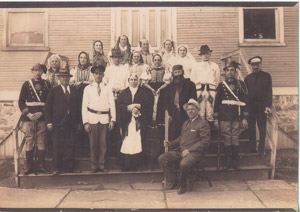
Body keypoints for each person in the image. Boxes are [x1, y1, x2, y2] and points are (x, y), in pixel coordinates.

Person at [158, 98, 210, 195]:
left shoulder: (202, 123)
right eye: (188, 109)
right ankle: (173, 180)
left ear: (198, 110)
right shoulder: (186, 123)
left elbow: (205, 141)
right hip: (181, 150)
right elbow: (181, 138)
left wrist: (189, 150)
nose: (190, 111)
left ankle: (182, 185)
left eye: (192, 109)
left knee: (183, 164)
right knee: (162, 158)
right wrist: (170, 143)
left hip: (194, 153)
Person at [45, 68, 81, 175]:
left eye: (67, 77)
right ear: (59, 78)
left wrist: (79, 123)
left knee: (70, 145)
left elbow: (78, 108)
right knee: (57, 145)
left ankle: (69, 168)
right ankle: (56, 168)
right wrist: (49, 122)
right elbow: (47, 107)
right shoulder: (54, 90)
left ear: (70, 78)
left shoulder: (74, 91)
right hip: (57, 123)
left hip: (71, 123)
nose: (65, 79)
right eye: (62, 77)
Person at [213, 61, 248, 170]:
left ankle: (235, 161)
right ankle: (228, 161)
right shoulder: (221, 85)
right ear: (225, 72)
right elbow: (217, 103)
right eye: (227, 70)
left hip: (236, 115)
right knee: (227, 137)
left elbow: (245, 102)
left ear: (235, 71)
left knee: (235, 137)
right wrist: (215, 118)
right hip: (225, 115)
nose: (230, 72)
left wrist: (245, 118)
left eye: (232, 70)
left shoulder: (241, 85)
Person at [82, 65, 116, 173]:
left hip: (104, 118)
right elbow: (84, 106)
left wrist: (112, 119)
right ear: (93, 74)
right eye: (96, 73)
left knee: (103, 144)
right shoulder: (88, 88)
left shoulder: (107, 87)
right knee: (93, 144)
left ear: (103, 75)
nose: (98, 75)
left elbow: (112, 104)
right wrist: (85, 122)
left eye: (100, 73)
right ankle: (93, 165)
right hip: (92, 118)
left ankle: (102, 164)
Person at [18, 63, 51, 175]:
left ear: (42, 72)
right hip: (29, 118)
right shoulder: (26, 85)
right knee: (29, 141)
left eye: (40, 70)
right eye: (35, 70)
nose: (37, 72)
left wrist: (42, 112)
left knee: (41, 141)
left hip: (42, 117)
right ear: (32, 72)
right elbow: (21, 102)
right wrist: (28, 115)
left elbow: (50, 102)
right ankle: (29, 167)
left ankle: (41, 166)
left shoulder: (47, 85)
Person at [118, 73, 152, 171]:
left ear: (138, 81)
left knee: (137, 141)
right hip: (127, 122)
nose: (133, 82)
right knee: (127, 142)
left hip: (139, 122)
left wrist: (139, 106)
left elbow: (148, 105)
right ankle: (126, 165)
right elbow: (119, 106)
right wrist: (128, 108)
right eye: (131, 80)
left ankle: (137, 165)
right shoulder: (123, 93)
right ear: (128, 81)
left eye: (135, 80)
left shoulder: (144, 92)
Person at [244, 56, 272, 155]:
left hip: (262, 106)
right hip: (251, 106)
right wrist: (246, 108)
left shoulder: (266, 76)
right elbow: (246, 95)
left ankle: (261, 149)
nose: (255, 67)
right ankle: (252, 148)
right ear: (251, 66)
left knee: (262, 128)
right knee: (251, 127)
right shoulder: (247, 78)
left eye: (257, 64)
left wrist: (268, 106)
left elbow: (269, 92)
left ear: (260, 64)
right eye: (253, 65)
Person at [165, 64, 197, 141]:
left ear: (182, 72)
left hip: (186, 112)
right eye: (175, 72)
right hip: (173, 113)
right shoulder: (169, 86)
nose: (178, 74)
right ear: (173, 74)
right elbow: (166, 101)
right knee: (174, 133)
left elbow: (193, 99)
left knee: (186, 132)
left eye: (179, 72)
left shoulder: (190, 84)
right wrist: (168, 113)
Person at [190, 45, 220, 123]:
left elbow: (217, 79)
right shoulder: (196, 66)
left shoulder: (214, 66)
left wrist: (213, 88)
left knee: (210, 109)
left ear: (210, 54)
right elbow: (193, 79)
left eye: (207, 53)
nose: (205, 56)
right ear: (200, 55)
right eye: (203, 54)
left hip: (211, 89)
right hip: (200, 89)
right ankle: (201, 129)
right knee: (200, 110)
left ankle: (210, 128)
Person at [141, 54, 171, 125]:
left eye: (158, 60)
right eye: (155, 60)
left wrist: (159, 89)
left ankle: (159, 123)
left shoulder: (165, 69)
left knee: (160, 106)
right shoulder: (149, 69)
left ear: (161, 61)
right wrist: (151, 89)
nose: (157, 62)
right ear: (153, 60)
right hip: (150, 89)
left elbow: (167, 82)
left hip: (162, 89)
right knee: (150, 105)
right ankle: (150, 124)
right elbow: (144, 82)